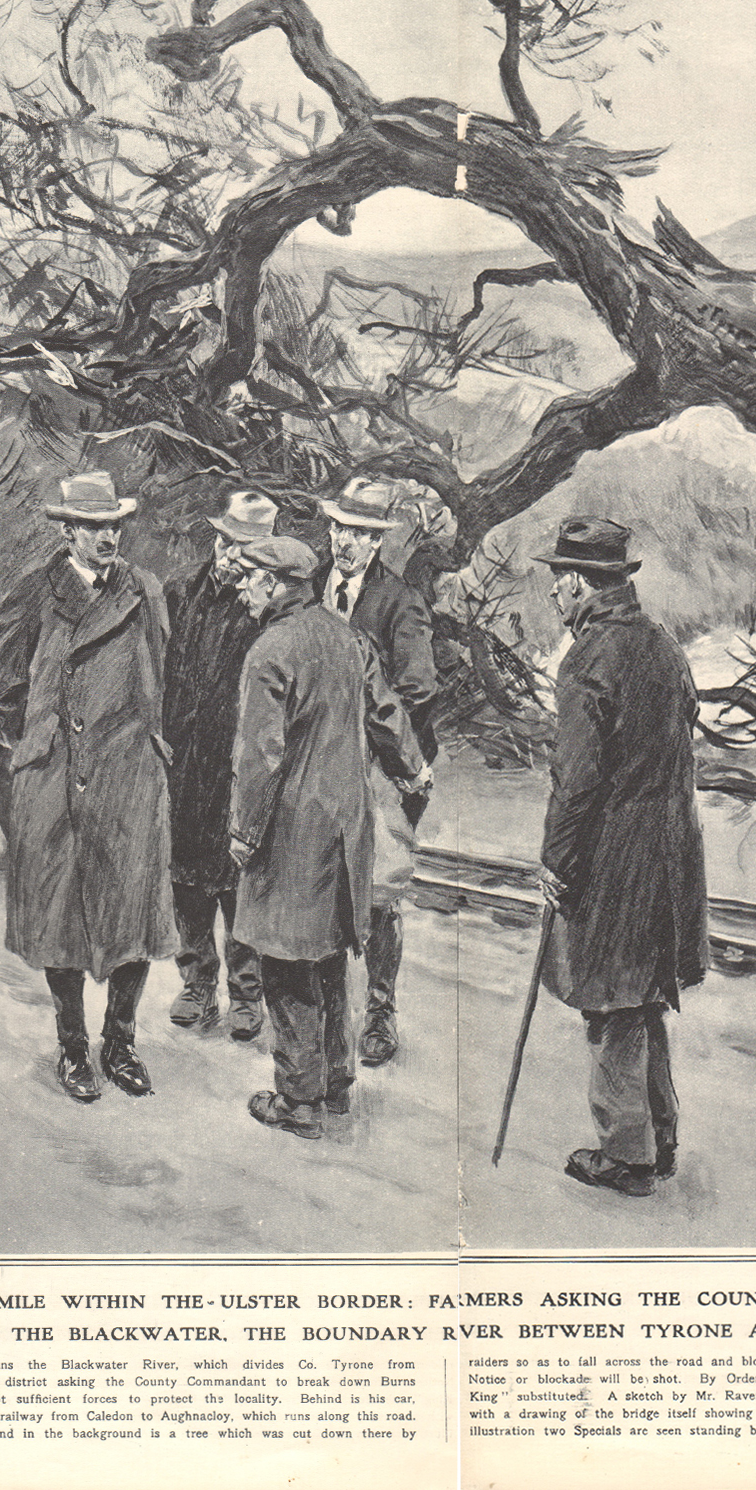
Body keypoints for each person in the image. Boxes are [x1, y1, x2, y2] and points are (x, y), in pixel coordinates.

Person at [0, 471, 177, 1103]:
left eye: (113, 525)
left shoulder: (144, 591)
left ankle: (120, 1043)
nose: (106, 537)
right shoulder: (35, 592)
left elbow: (163, 674)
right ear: (68, 531)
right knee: (59, 915)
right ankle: (72, 1046)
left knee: (133, 912)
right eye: (93, 526)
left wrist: (140, 741)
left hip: (127, 776)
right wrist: (43, 738)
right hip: (58, 773)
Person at [534, 518, 709, 1197]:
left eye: (557, 583)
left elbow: (575, 779)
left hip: (614, 850)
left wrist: (556, 861)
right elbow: (684, 727)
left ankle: (625, 1155)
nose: (553, 595)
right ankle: (658, 1139)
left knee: (612, 1002)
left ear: (580, 585)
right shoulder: (664, 645)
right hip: (670, 844)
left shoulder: (588, 658)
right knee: (645, 995)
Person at [228, 537, 425, 1137]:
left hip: (290, 831)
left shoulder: (270, 650)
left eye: (250, 576)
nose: (241, 585)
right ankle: (337, 1083)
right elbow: (386, 712)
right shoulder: (346, 637)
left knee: (287, 966)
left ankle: (298, 1100)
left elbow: (259, 758)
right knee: (332, 958)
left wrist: (242, 831)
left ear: (277, 583)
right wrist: (414, 768)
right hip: (346, 828)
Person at [317, 476, 438, 1067]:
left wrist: (376, 744)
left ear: (377, 542)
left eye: (362, 535)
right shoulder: (312, 590)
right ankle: (327, 1010)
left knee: (379, 895)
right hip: (319, 768)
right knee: (321, 884)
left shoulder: (400, 602)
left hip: (382, 769)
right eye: (342, 528)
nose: (347, 543)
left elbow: (416, 692)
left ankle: (381, 1012)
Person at [163, 487, 278, 1040]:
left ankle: (247, 994)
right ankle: (197, 983)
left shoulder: (266, 607)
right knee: (185, 878)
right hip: (182, 763)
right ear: (216, 538)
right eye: (228, 544)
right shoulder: (179, 591)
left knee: (239, 882)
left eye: (248, 550)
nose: (234, 558)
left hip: (237, 767)